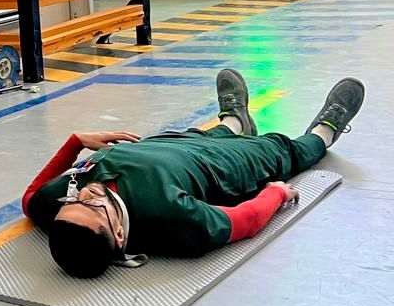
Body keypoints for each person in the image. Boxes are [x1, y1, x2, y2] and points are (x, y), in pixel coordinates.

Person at [22, 70, 365, 277]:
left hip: (170, 144)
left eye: (74, 200)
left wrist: (75, 143)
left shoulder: (58, 205)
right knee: (284, 151)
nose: (87, 192)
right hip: (222, 166)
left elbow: (30, 198)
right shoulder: (172, 220)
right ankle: (326, 128)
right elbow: (242, 221)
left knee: (211, 132)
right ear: (120, 234)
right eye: (94, 207)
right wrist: (275, 193)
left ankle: (234, 121)